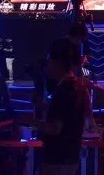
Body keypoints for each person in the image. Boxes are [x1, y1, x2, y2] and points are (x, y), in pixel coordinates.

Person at [38, 39, 89, 175]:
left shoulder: (63, 91)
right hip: (71, 156)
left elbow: (55, 129)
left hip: (57, 159)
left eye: (49, 61)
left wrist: (35, 124)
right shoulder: (77, 87)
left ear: (58, 63)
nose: (47, 65)